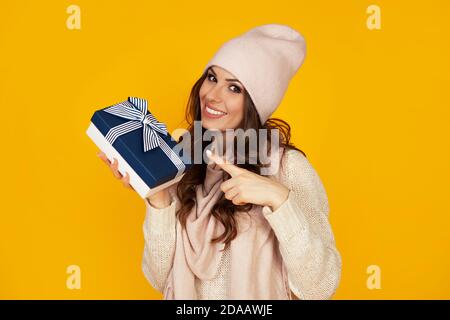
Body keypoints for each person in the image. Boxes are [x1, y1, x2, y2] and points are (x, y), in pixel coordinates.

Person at [97, 23, 342, 300]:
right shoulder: (184, 158)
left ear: (254, 103)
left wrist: (279, 199)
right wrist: (159, 197)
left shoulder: (287, 168)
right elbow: (159, 277)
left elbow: (320, 286)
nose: (212, 95)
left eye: (234, 88)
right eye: (212, 78)